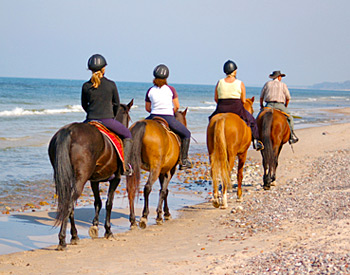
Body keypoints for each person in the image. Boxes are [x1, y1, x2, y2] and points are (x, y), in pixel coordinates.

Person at [81, 54, 133, 176]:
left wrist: (91, 114)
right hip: (106, 120)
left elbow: (84, 105)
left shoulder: (86, 86)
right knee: (127, 134)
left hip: (89, 120)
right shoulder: (111, 84)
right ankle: (125, 167)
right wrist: (112, 117)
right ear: (103, 68)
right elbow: (116, 104)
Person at [145, 64, 192, 170]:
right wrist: (170, 111)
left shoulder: (150, 90)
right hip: (168, 117)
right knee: (186, 134)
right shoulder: (171, 89)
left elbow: (147, 108)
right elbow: (177, 106)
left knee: (136, 130)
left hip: (152, 116)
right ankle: (183, 160)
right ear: (166, 77)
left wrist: (154, 111)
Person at [209, 60, 264, 151]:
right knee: (252, 121)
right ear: (234, 71)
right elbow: (243, 100)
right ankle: (256, 142)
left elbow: (216, 98)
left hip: (221, 108)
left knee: (211, 120)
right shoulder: (240, 83)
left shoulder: (219, 82)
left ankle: (211, 140)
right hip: (236, 108)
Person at [260, 70, 299, 144]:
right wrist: (285, 106)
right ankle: (292, 136)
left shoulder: (267, 84)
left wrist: (261, 105)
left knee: (259, 117)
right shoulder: (283, 85)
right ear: (278, 77)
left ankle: (256, 137)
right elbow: (288, 98)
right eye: (280, 76)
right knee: (290, 118)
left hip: (268, 105)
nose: (281, 78)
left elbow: (261, 96)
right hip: (280, 105)